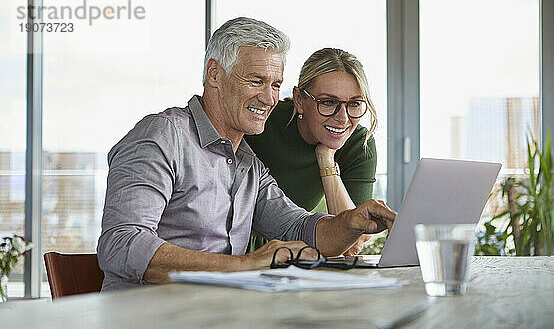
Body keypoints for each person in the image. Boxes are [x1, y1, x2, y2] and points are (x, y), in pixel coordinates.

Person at [97, 17, 396, 291]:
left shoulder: (248, 164)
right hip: (147, 327)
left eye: (275, 84)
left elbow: (298, 228)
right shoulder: (163, 137)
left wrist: (351, 223)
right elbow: (121, 244)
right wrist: (244, 266)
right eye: (256, 81)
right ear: (215, 74)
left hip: (219, 323)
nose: (269, 98)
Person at [246, 48, 377, 255]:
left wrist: (326, 160)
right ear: (299, 100)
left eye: (354, 104)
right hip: (237, 246)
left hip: (295, 252)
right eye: (328, 102)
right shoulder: (263, 121)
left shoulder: (359, 143)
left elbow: (353, 244)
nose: (343, 118)